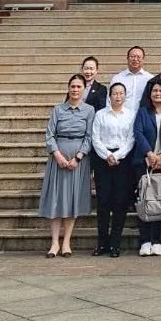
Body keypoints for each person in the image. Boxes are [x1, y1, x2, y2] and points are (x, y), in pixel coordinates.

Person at [39, 73, 95, 257]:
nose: (75, 90)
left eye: (79, 87)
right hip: (58, 159)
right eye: (73, 86)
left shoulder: (89, 110)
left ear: (84, 89)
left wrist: (78, 157)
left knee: (72, 201)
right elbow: (50, 134)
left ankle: (66, 243)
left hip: (78, 161)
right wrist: (57, 155)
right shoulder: (58, 109)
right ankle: (54, 243)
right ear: (68, 88)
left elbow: (90, 136)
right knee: (56, 200)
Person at [91, 81, 136, 257]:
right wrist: (107, 155)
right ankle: (102, 243)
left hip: (123, 161)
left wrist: (117, 156)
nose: (118, 96)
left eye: (121, 93)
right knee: (103, 203)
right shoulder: (101, 114)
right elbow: (95, 138)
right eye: (115, 93)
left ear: (125, 96)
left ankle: (115, 243)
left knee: (120, 202)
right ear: (109, 96)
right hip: (103, 160)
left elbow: (131, 139)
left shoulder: (131, 115)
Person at [133, 77, 161, 257]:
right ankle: (145, 240)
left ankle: (158, 240)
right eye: (155, 91)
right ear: (149, 94)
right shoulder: (143, 112)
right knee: (145, 199)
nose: (158, 94)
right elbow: (138, 133)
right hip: (144, 161)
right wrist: (149, 154)